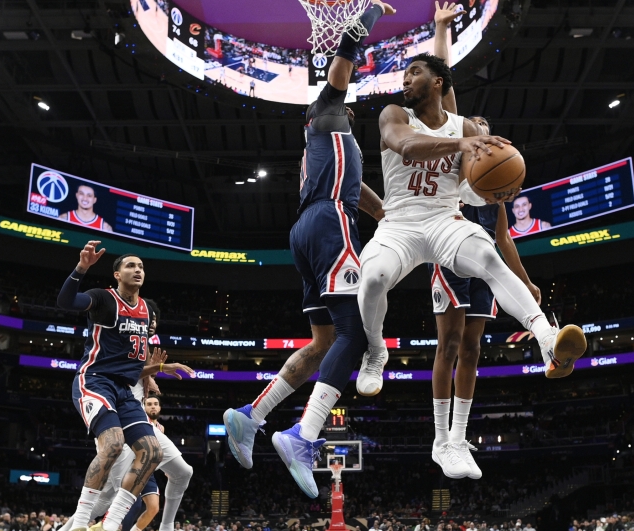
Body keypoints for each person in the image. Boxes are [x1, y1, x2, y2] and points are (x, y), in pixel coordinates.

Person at [220, 0, 392, 485]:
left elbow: (366, 200)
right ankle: (304, 434)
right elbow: (345, 51)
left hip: (310, 228)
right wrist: (372, 14)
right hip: (328, 225)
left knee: (324, 342)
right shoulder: (326, 113)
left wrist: (397, 218)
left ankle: (250, 416)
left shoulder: (335, 152)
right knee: (356, 335)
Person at [355, 42, 586, 400]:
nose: (406, 81)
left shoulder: (464, 127)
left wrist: (496, 193)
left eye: (414, 73)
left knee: (490, 257)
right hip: (399, 223)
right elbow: (406, 146)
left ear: (437, 83)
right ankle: (375, 351)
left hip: (445, 219)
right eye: (404, 76)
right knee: (372, 279)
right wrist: (460, 145)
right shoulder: (394, 114)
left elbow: (469, 188)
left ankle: (546, 338)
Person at [422, 3, 543, 480]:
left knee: (472, 350)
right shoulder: (455, 159)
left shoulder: (494, 190)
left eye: (489, 137)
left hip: (482, 261)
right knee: (448, 346)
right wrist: (441, 28)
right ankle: (438, 436)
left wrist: (526, 282)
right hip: (448, 256)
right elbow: (444, 85)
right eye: (478, 135)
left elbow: (503, 241)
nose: (483, 141)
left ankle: (458, 438)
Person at [56, 242, 187, 531]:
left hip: (124, 390)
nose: (138, 270)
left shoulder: (146, 311)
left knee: (152, 451)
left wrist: (157, 369)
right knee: (113, 443)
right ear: (117, 274)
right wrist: (81, 269)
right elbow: (66, 302)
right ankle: (78, 523)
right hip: (95, 380)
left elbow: (133, 364)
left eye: (141, 267)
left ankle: (110, 524)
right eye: (131, 266)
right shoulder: (104, 299)